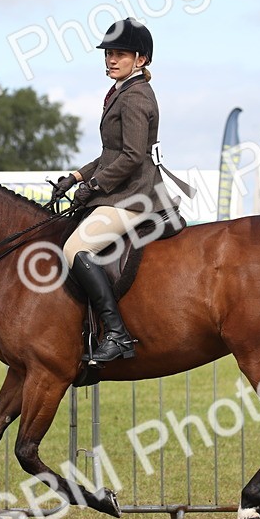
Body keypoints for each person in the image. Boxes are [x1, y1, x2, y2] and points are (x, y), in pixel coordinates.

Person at [49, 18, 174, 364]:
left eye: (120, 54)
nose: (111, 60)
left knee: (76, 247)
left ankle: (117, 335)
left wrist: (94, 186)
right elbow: (110, 154)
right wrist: (74, 177)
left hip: (134, 195)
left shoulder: (135, 97)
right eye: (108, 54)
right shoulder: (122, 92)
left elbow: (133, 157)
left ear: (141, 59)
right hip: (124, 189)